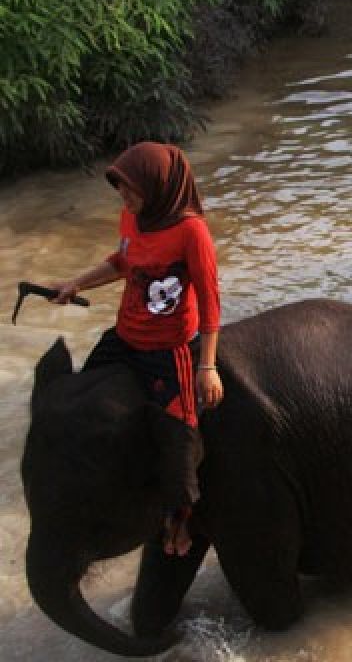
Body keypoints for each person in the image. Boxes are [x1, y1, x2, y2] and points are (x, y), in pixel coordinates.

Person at [51, 141, 222, 556]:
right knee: (82, 398)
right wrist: (76, 282)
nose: (124, 198)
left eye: (130, 190)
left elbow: (210, 295)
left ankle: (182, 521)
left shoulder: (191, 231)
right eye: (120, 190)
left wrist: (207, 366)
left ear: (158, 187)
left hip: (170, 349)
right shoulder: (132, 217)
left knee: (180, 438)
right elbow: (122, 263)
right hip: (126, 337)